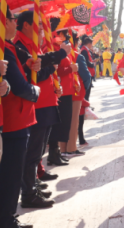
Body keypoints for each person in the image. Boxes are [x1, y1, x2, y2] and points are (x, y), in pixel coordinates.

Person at [13, 11, 70, 209]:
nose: (40, 27)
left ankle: (33, 185)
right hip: (35, 104)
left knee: (36, 152)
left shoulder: (32, 43)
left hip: (45, 101)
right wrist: (54, 63)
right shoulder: (18, 45)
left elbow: (42, 67)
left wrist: (51, 69)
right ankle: (28, 194)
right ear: (26, 25)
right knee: (32, 153)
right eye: (37, 23)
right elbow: (33, 72)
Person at [0, 7, 40, 228]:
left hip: (15, 118)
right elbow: (20, 87)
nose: (15, 24)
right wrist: (36, 91)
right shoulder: (3, 48)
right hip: (13, 120)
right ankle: (6, 219)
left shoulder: (7, 47)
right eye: (12, 19)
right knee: (11, 176)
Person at [47, 26, 80, 166]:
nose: (66, 36)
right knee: (58, 124)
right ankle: (53, 154)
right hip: (60, 91)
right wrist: (70, 69)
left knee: (65, 123)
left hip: (67, 90)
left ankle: (57, 154)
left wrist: (75, 80)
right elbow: (56, 71)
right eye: (64, 33)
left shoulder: (66, 48)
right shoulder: (53, 48)